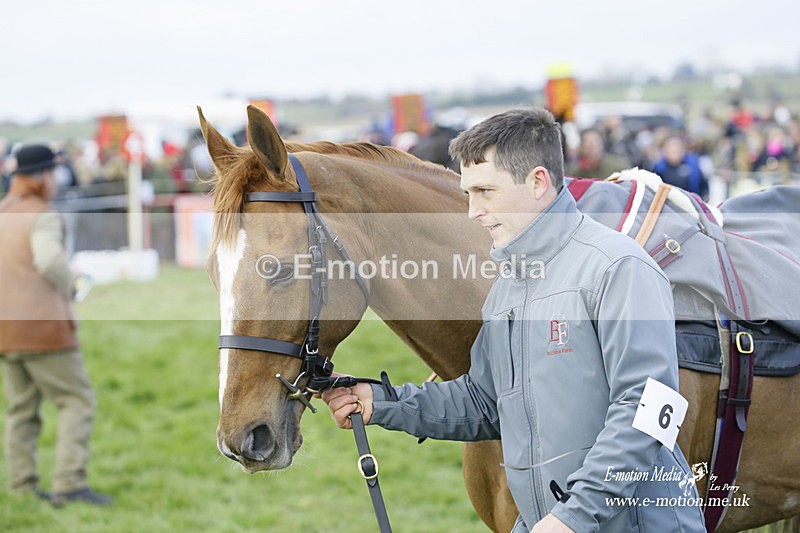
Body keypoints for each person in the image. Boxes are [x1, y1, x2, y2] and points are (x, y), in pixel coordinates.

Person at [322, 109, 705, 532]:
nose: (473, 211)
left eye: (486, 191)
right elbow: (486, 401)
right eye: (469, 193)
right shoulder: (509, 286)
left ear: (538, 182)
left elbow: (648, 412)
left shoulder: (618, 268)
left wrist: (572, 517)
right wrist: (384, 403)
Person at [0, 144, 113, 507]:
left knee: (21, 410)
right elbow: (49, 259)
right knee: (76, 400)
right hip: (43, 331)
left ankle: (21, 487)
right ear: (43, 175)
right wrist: (75, 284)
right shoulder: (42, 215)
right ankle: (70, 483)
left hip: (6, 330)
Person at [651, 133, 709, 200]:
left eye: (678, 148)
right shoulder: (658, 169)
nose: (675, 150)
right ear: (665, 150)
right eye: (671, 148)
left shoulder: (693, 167)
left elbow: (704, 188)